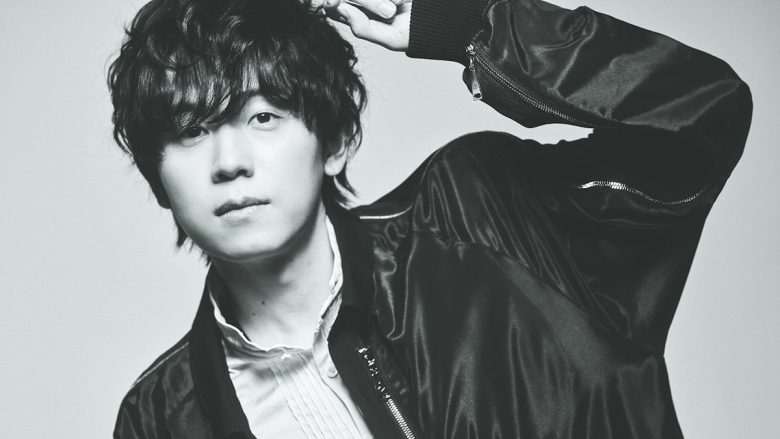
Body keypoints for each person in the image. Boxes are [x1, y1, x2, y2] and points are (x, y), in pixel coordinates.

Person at [109, 0, 752, 437]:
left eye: (263, 117)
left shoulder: (483, 215)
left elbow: (700, 118)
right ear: (157, 178)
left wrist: (472, 27)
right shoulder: (161, 419)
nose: (229, 162)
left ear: (335, 142)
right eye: (191, 130)